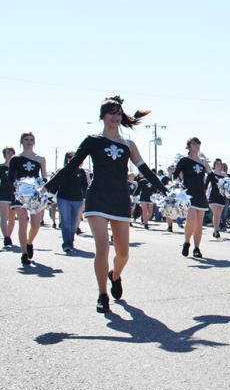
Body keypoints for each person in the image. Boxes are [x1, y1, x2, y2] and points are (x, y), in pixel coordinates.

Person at [44, 96, 168, 312]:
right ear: (102, 116)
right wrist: (47, 188)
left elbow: (145, 170)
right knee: (102, 247)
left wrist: (166, 191)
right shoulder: (92, 140)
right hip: (97, 197)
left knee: (123, 254)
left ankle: (115, 275)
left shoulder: (129, 144)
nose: (115, 116)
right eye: (111, 112)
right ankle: (102, 295)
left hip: (120, 199)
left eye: (118, 113)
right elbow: (72, 166)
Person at [8, 132, 46, 265]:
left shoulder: (40, 159)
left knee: (35, 225)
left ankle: (29, 243)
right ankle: (24, 253)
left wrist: (44, 193)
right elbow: (10, 178)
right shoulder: (15, 159)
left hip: (35, 196)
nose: (29, 141)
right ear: (22, 142)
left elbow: (44, 178)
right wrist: (18, 189)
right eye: (26, 139)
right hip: (20, 195)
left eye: (31, 139)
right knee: (23, 223)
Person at [174, 137, 211, 258]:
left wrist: (222, 183)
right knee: (191, 218)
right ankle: (186, 242)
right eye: (194, 143)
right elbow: (175, 175)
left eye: (198, 143)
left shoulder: (204, 162)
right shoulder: (184, 160)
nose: (197, 145)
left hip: (200, 194)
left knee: (199, 222)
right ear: (188, 146)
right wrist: (178, 187)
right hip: (188, 194)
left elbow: (211, 175)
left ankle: (197, 248)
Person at [52, 151, 89, 252]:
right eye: (69, 157)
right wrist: (49, 195)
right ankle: (67, 243)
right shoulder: (62, 170)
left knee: (74, 222)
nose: (72, 159)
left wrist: (88, 199)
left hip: (77, 199)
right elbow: (55, 184)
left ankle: (71, 240)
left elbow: (85, 187)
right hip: (63, 198)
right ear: (66, 159)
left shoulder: (82, 172)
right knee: (65, 220)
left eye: (74, 157)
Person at [205, 158, 229, 239]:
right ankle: (216, 230)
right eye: (217, 164)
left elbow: (228, 186)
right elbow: (206, 185)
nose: (219, 165)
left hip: (221, 197)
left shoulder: (224, 175)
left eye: (220, 164)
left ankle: (216, 228)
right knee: (216, 213)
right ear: (214, 165)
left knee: (219, 214)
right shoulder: (211, 174)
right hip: (213, 196)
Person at [0, 146, 17, 247]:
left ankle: (9, 237)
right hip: (3, 194)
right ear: (4, 155)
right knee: (4, 216)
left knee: (12, 217)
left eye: (12, 153)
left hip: (13, 194)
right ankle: (5, 236)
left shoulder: (16, 168)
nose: (10, 154)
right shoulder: (1, 167)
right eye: (8, 153)